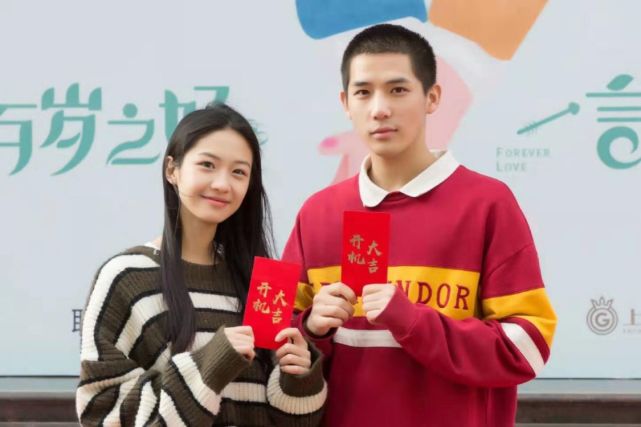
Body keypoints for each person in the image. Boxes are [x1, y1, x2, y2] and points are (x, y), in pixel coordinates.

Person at [282, 24, 557, 427]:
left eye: (398, 90)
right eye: (363, 92)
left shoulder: (488, 204)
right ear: (345, 103)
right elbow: (273, 337)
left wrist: (412, 321)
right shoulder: (317, 213)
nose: (379, 109)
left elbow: (528, 346)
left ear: (432, 97)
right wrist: (311, 328)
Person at [77, 104, 326, 426]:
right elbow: (101, 411)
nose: (222, 184)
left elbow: (290, 422)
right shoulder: (126, 277)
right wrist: (211, 363)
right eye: (207, 165)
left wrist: (298, 378)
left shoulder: (262, 283)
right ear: (172, 170)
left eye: (239, 172)